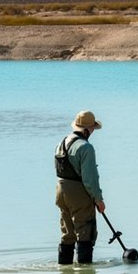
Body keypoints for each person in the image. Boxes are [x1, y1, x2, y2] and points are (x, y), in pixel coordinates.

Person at [54, 110, 105, 265]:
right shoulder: (86, 147)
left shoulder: (62, 143)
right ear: (87, 130)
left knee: (67, 235)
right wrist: (98, 199)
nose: (93, 132)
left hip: (61, 191)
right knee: (85, 233)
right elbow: (90, 178)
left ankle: (65, 273)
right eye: (92, 129)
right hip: (78, 194)